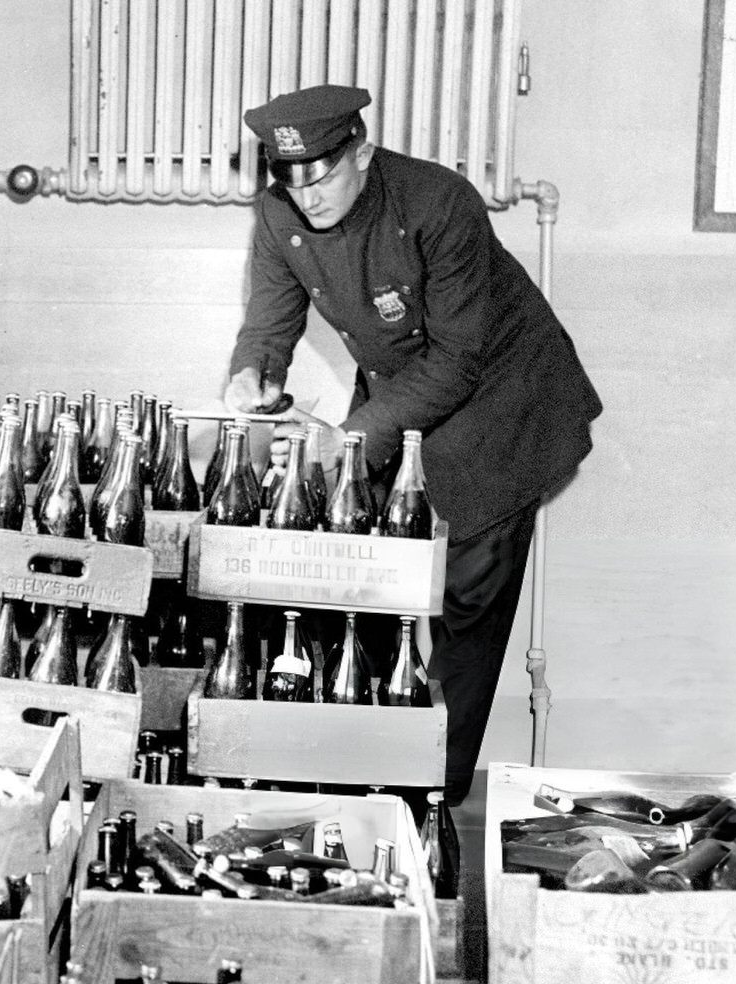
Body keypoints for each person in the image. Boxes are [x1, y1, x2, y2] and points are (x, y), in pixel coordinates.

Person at [224, 84, 602, 805]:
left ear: (362, 154)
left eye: (322, 174)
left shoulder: (438, 202)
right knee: (358, 578)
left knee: (466, 600)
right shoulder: (279, 213)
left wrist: (351, 438)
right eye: (289, 177)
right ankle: (352, 770)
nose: (306, 195)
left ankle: (427, 798)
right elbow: (270, 321)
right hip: (404, 387)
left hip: (503, 399)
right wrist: (252, 373)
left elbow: (459, 358)